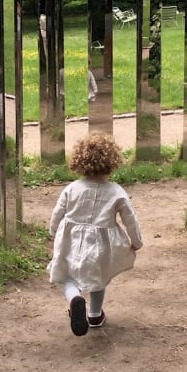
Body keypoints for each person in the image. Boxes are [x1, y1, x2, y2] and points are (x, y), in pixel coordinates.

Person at [47, 133, 143, 336]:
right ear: (112, 162)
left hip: (70, 241)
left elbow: (58, 213)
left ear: (79, 162)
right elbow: (130, 219)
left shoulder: (72, 188)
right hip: (100, 245)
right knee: (98, 277)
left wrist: (54, 231)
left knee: (68, 277)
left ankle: (74, 300)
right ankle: (94, 314)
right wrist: (136, 242)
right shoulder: (116, 191)